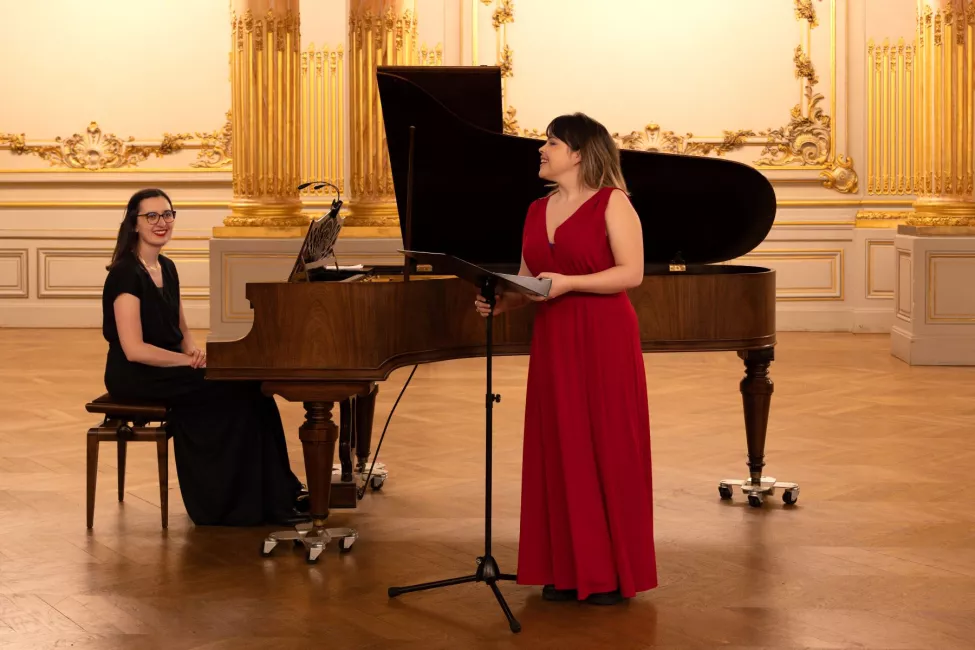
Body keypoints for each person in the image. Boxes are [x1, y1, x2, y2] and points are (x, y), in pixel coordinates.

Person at [475, 113, 658, 605]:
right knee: (561, 444)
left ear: (578, 153)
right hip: (554, 337)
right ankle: (567, 568)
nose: (542, 149)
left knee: (606, 442)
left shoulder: (613, 202)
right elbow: (530, 281)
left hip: (604, 336)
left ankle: (612, 572)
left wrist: (570, 283)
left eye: (551, 142)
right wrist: (500, 299)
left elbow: (632, 274)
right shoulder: (536, 210)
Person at [101, 188, 308, 527]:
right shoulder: (125, 273)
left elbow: (179, 326)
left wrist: (193, 350)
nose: (161, 222)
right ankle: (230, 504)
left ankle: (276, 493)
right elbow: (134, 349)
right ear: (134, 224)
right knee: (232, 390)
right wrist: (189, 363)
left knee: (253, 386)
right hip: (136, 375)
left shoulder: (166, 267)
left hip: (167, 367)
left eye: (167, 215)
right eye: (151, 216)